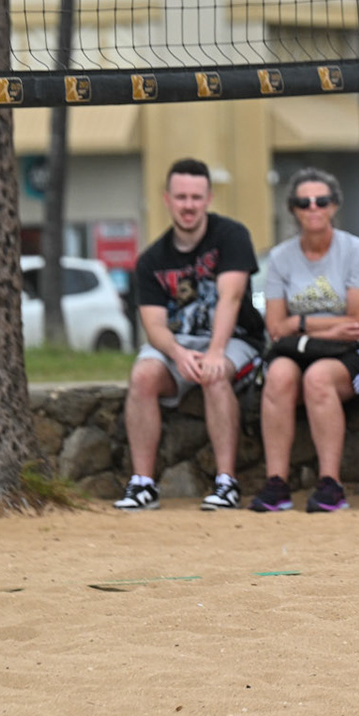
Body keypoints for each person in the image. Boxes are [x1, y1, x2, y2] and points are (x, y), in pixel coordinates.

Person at [114, 158, 266, 511]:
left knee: (214, 377)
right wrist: (179, 356)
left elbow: (230, 296)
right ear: (167, 199)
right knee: (143, 376)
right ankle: (143, 484)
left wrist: (215, 353)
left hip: (235, 339)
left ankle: (226, 482)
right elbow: (153, 327)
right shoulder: (151, 260)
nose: (188, 205)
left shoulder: (231, 236)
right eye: (181, 197)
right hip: (179, 343)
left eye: (196, 197)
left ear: (209, 198)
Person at [249, 169, 359, 513]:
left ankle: (330, 485)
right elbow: (277, 327)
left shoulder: (355, 251)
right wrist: (317, 326)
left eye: (321, 201)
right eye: (303, 202)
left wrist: (301, 322)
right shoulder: (280, 257)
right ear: (292, 209)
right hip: (299, 348)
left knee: (318, 379)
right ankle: (277, 483)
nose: (313, 208)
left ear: (334, 205)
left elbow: (358, 322)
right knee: (278, 377)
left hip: (353, 350)